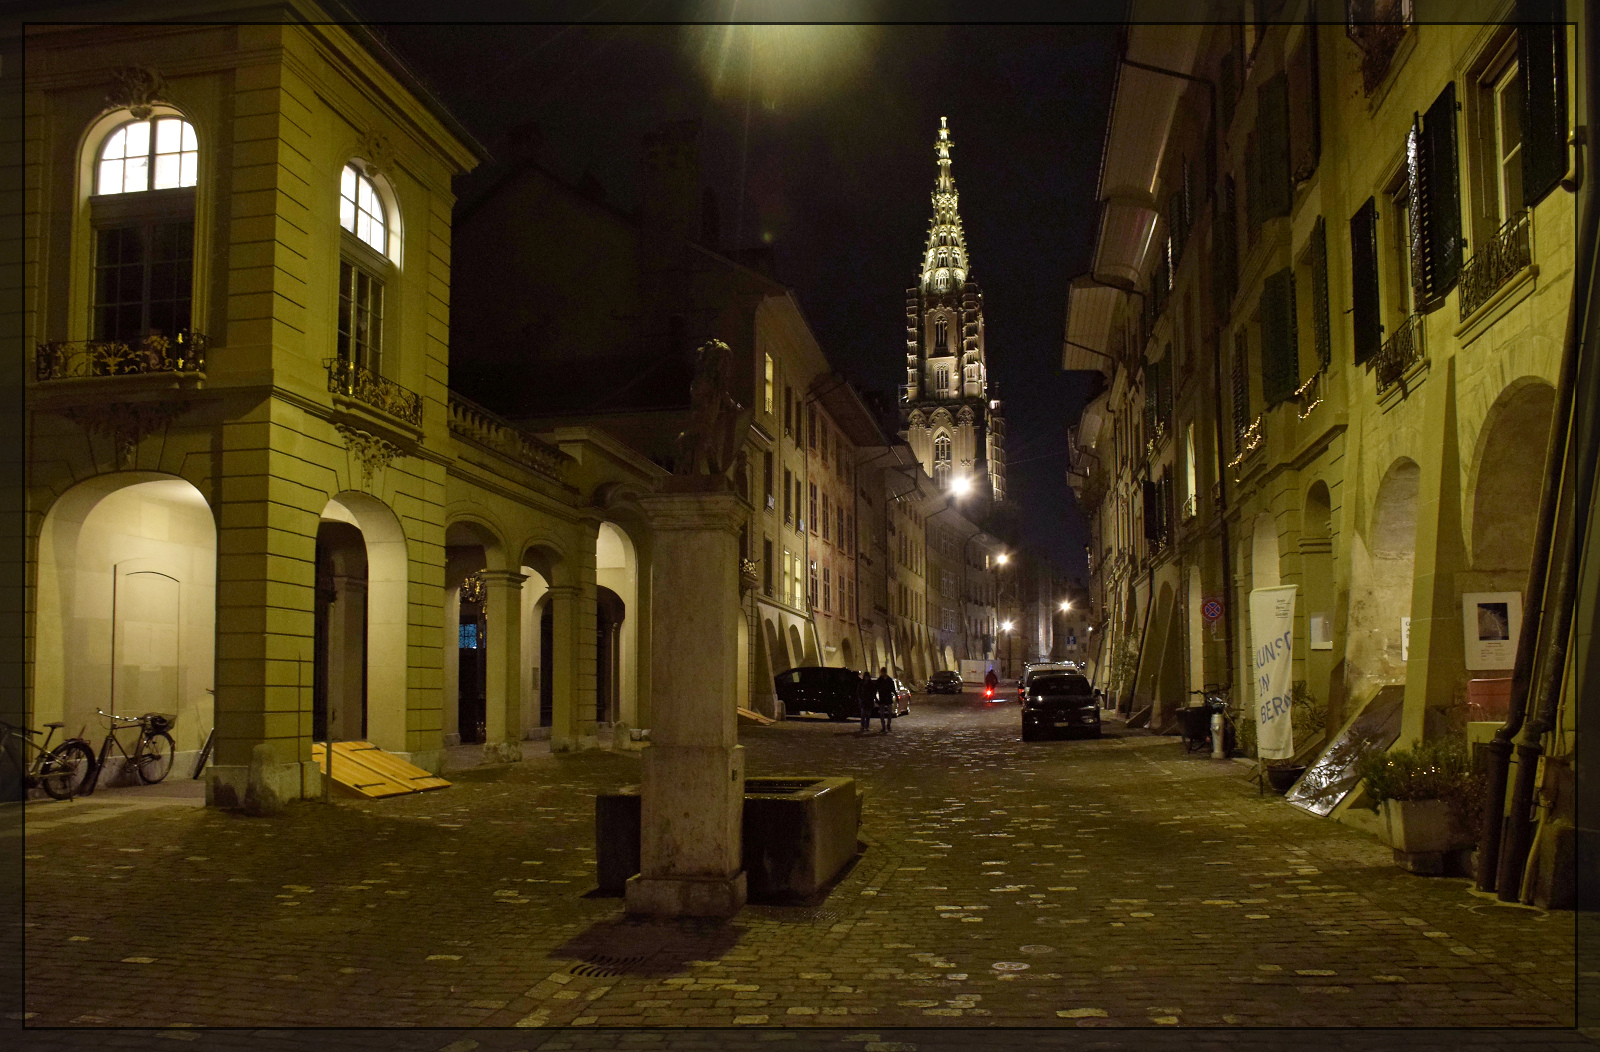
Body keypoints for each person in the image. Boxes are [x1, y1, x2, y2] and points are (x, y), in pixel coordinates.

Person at [874, 668, 897, 733]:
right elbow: (875, 690)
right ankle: (883, 726)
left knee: (890, 713)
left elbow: (893, 689)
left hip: (888, 698)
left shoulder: (889, 680)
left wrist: (896, 695)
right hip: (882, 698)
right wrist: (876, 698)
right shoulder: (879, 680)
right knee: (882, 714)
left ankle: (888, 725)